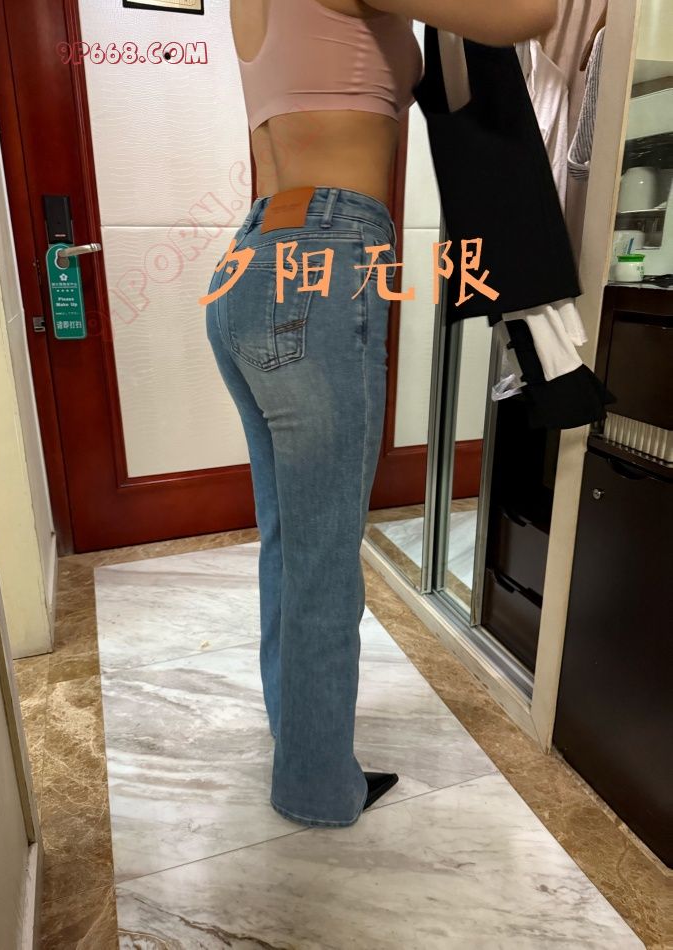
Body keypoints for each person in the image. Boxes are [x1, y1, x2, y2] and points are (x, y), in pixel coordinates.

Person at [205, 0, 558, 828]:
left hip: (251, 264)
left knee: (292, 545)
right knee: (324, 558)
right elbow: (529, 14)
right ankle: (317, 787)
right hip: (326, 257)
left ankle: (299, 740)